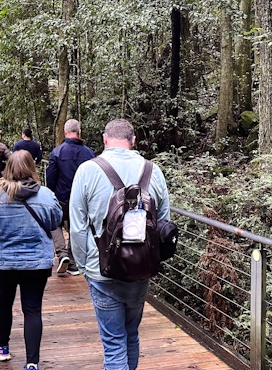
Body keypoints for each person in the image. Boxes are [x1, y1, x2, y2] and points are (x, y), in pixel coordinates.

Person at [69, 118, 171, 370]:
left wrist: (85, 267)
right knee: (131, 335)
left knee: (114, 343)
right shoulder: (152, 171)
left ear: (104, 139)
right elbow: (164, 224)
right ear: (133, 141)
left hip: (101, 270)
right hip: (140, 270)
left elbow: (78, 226)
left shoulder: (87, 170)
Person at [0, 151, 62, 370]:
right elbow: (55, 221)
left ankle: (3, 346)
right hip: (37, 263)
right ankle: (32, 363)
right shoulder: (46, 195)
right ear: (32, 168)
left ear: (8, 170)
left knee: (4, 303)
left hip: (4, 262)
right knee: (32, 310)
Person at [46, 119, 94, 276]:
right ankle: (73, 264)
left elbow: (50, 177)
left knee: (54, 223)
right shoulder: (89, 153)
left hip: (61, 197)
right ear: (78, 132)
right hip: (81, 199)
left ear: (65, 132)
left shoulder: (57, 152)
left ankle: (62, 254)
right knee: (76, 228)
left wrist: (51, 193)